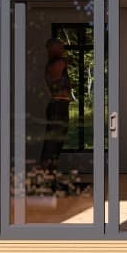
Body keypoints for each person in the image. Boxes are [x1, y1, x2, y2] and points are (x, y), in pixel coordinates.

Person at [40, 37, 71, 168]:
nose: (63, 49)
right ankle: (45, 176)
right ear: (53, 49)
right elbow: (66, 62)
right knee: (52, 144)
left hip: (61, 105)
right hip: (58, 106)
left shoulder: (56, 63)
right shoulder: (57, 64)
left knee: (57, 143)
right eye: (60, 47)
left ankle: (50, 175)